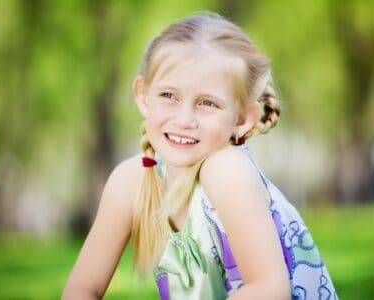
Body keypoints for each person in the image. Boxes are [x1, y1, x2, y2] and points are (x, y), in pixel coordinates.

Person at [62, 12, 337, 300]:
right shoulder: (131, 181)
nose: (184, 119)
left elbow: (269, 288)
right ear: (143, 96)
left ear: (242, 119)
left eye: (207, 103)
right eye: (169, 95)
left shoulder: (226, 170)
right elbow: (82, 289)